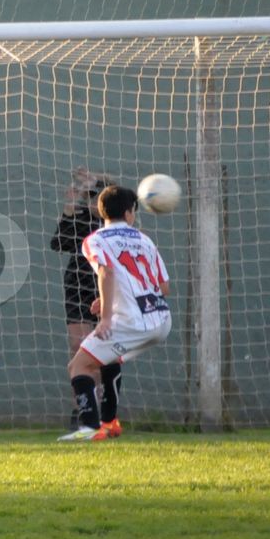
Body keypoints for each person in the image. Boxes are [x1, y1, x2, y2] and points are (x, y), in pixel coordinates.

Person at [58, 185, 172, 441]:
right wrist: (109, 298)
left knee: (78, 366)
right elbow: (164, 286)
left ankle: (88, 427)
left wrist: (106, 317)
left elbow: (106, 271)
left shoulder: (95, 240)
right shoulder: (144, 240)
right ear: (130, 213)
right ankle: (110, 422)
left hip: (130, 321)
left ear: (101, 212)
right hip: (162, 321)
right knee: (110, 359)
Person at [51, 167, 107, 424]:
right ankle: (83, 408)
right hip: (77, 285)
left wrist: (94, 183)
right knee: (79, 346)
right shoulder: (81, 218)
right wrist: (70, 204)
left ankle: (103, 405)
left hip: (106, 286)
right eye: (90, 196)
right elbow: (59, 243)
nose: (93, 202)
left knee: (103, 350)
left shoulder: (113, 223)